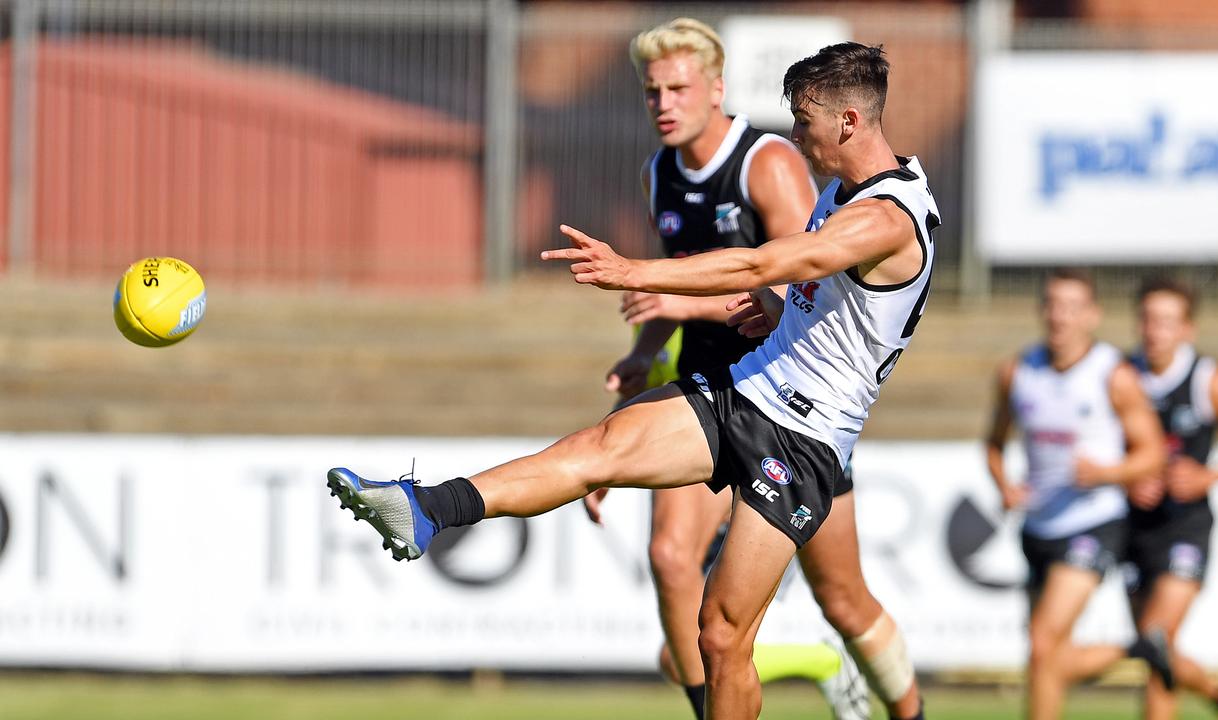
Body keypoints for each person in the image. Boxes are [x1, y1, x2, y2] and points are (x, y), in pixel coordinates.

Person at [327, 41, 932, 720]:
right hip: (743, 389)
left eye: (802, 120)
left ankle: (905, 707)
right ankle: (428, 509)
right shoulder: (836, 191)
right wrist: (771, 313)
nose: (794, 133)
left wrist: (636, 272)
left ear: (847, 123)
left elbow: (772, 262)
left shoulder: (887, 217)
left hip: (801, 443)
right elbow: (801, 292)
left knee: (721, 635)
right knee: (599, 449)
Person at [582, 18, 871, 720]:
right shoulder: (659, 174)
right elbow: (668, 294)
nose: (664, 103)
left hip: (795, 403)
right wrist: (644, 355)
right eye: (652, 91)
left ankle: (857, 680)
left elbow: (808, 294)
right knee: (671, 560)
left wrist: (680, 299)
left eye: (678, 88)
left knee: (842, 599)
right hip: (710, 395)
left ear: (716, 88)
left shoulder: (767, 163)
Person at [984, 268, 1172, 720]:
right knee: (1044, 654)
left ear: (1092, 316)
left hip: (1093, 521)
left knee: (1045, 644)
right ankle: (1139, 647)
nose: (1059, 317)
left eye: (1071, 307)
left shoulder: (1113, 374)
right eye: (1052, 304)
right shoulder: (1018, 370)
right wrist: (1005, 485)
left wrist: (1109, 472)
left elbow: (1153, 453)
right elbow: (993, 443)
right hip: (1037, 525)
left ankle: (1138, 646)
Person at [1122, 278, 1218, 719]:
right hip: (1134, 526)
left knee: (1157, 638)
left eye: (1167, 321)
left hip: (1185, 526)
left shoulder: (1210, 381)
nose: (1155, 331)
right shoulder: (1120, 375)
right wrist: (1126, 478)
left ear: (1188, 329)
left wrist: (1210, 474)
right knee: (1154, 650)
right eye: (1148, 319)